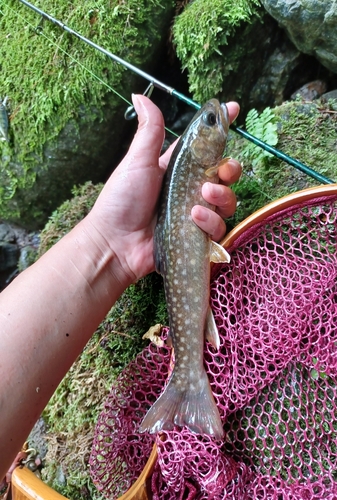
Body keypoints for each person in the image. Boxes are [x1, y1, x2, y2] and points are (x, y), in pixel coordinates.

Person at [0, 94, 241, 479]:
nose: (217, 122)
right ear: (200, 148)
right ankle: (188, 382)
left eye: (210, 121)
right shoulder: (191, 168)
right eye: (210, 123)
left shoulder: (196, 170)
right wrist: (111, 242)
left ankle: (188, 381)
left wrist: (109, 245)